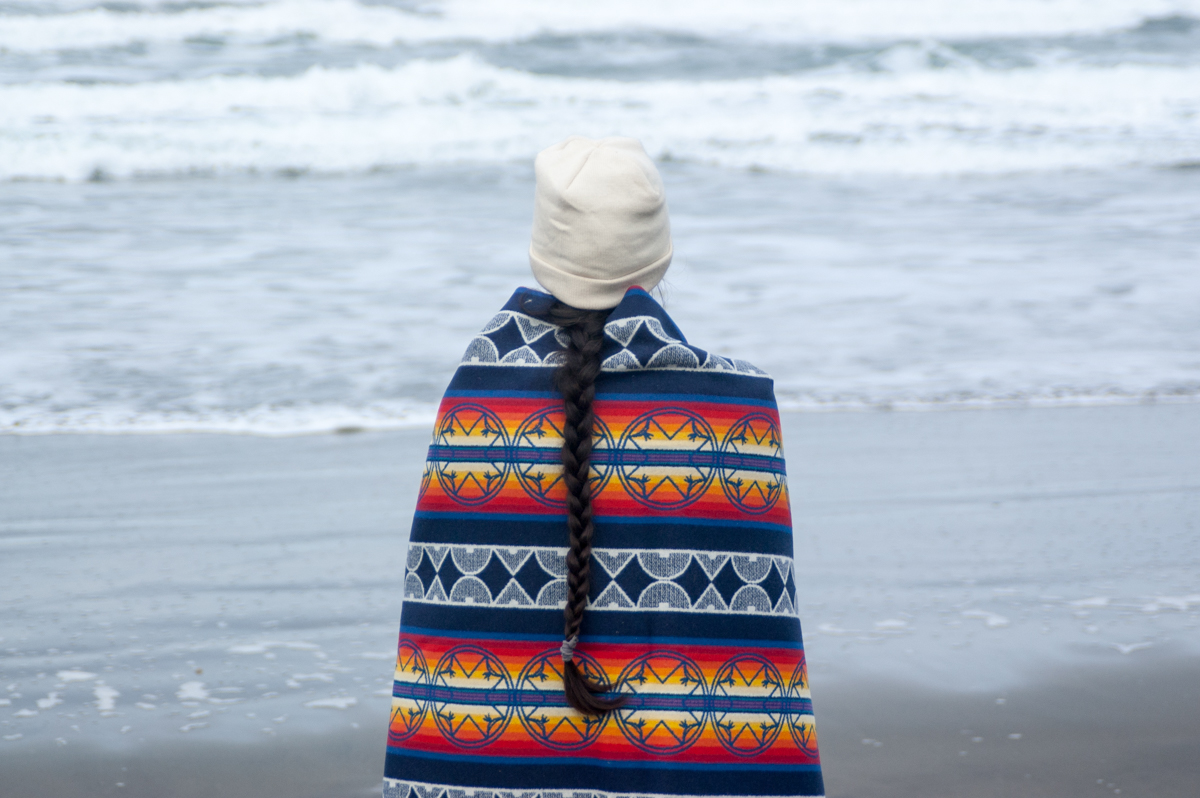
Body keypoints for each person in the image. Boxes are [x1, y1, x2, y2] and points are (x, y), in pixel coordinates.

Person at [383, 136, 824, 798]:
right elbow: (752, 646)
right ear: (658, 258)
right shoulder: (735, 410)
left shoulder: (477, 404)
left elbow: (445, 627)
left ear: (544, 254)